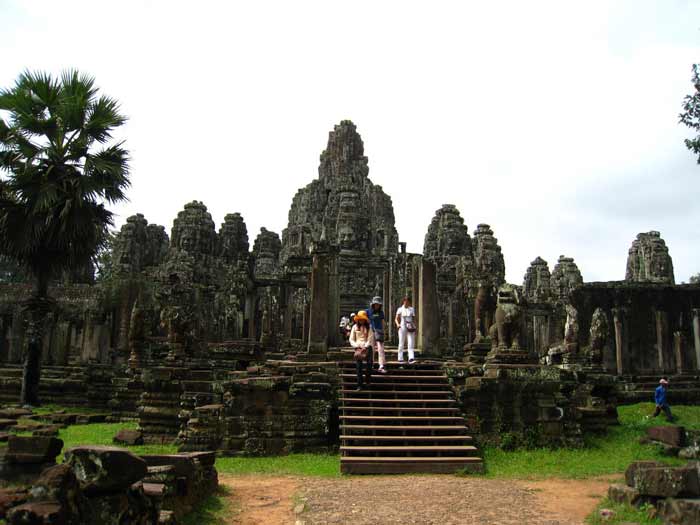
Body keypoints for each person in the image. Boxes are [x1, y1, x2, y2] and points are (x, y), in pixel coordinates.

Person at [349, 310, 375, 390]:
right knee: (359, 367)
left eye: (363, 319)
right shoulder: (354, 327)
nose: (361, 321)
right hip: (358, 347)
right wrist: (356, 346)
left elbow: (370, 338)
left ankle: (367, 381)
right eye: (360, 319)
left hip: (367, 346)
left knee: (369, 364)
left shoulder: (369, 327)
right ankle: (359, 384)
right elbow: (351, 339)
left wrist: (366, 346)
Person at [366, 297, 387, 373]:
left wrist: (384, 332)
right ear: (373, 304)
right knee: (371, 349)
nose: (377, 305)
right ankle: (371, 364)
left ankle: (381, 365)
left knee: (380, 348)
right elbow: (361, 315)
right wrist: (368, 322)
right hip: (371, 331)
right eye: (375, 304)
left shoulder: (381, 312)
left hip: (379, 331)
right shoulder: (368, 311)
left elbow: (383, 322)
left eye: (378, 304)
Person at [395, 296, 417, 364]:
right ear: (403, 301)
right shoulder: (400, 309)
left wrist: (414, 326)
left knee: (411, 342)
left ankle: (411, 358)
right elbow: (396, 318)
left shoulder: (411, 309)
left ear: (409, 302)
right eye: (405, 301)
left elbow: (414, 318)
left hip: (410, 326)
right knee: (401, 342)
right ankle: (400, 358)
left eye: (408, 301)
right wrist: (398, 324)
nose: (406, 303)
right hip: (402, 326)